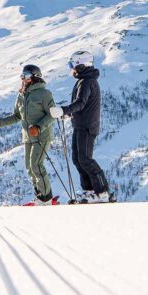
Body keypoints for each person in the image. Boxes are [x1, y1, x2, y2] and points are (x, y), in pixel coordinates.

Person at [0, 65, 59, 206]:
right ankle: (41, 195)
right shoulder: (21, 95)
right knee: (29, 167)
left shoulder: (44, 94)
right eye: (22, 76)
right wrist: (0, 122)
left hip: (42, 135)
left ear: (35, 77)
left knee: (36, 165)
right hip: (28, 137)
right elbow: (17, 116)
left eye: (26, 75)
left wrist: (39, 127)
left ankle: (45, 199)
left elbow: (52, 114)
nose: (23, 78)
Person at [50, 50, 111, 203]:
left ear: (81, 65)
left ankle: (102, 192)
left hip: (87, 126)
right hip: (80, 125)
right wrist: (67, 113)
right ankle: (89, 191)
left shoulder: (87, 82)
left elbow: (80, 103)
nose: (71, 69)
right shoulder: (83, 81)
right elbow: (82, 106)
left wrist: (64, 110)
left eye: (73, 65)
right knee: (77, 159)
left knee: (85, 159)